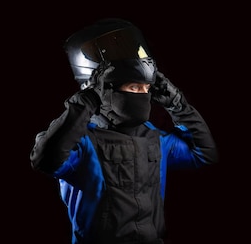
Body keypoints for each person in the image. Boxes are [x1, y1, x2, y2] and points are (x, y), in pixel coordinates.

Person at [30, 18, 219, 244]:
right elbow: (46, 160)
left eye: (146, 88)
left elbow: (204, 153)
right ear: (103, 90)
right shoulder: (82, 140)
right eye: (133, 87)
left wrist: (178, 105)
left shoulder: (155, 138)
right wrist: (85, 103)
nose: (141, 94)